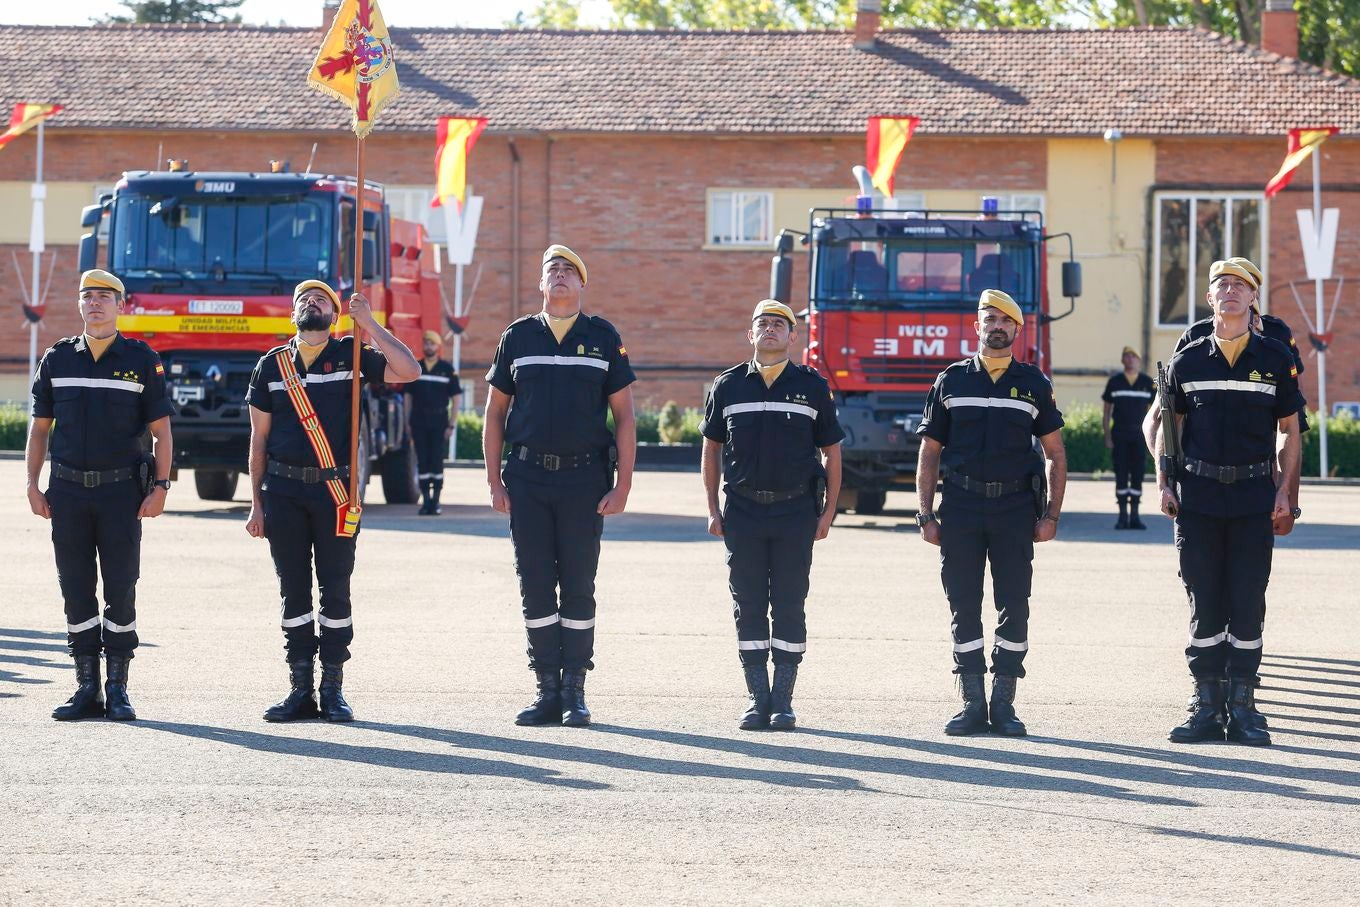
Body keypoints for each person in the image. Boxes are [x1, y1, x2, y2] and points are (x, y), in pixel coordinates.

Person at [243, 280, 419, 722]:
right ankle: (299, 688)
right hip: (282, 492)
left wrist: (370, 324)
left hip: (336, 494)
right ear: (292, 314)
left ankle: (333, 689)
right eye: (304, 298)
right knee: (294, 592)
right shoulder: (271, 366)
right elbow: (258, 439)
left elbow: (408, 369)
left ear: (336, 315)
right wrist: (255, 503)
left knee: (335, 590)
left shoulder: (352, 355)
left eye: (322, 299)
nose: (311, 302)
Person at [483, 245, 636, 728]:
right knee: (534, 585)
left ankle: (575, 690)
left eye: (570, 271)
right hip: (526, 479)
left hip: (584, 479)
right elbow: (494, 413)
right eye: (553, 271)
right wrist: (493, 481)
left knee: (577, 585)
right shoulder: (518, 337)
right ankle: (545, 688)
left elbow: (625, 416)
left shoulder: (603, 337)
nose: (562, 277)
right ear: (541, 284)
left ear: (582, 285)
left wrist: (624, 485)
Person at [1157, 259, 1302, 746]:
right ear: (1210, 298)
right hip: (1197, 499)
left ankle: (1244, 706)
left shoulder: (1276, 357)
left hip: (1253, 498)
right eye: (1222, 285)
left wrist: (1286, 493)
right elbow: (1168, 431)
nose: (1231, 292)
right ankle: (1206, 703)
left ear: (1253, 298)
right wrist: (1164, 483)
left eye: (1241, 285)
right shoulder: (1188, 360)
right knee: (1204, 600)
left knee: (1246, 600)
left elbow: (1290, 434)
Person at [915, 289, 1067, 737]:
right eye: (989, 319)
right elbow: (929, 450)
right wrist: (925, 514)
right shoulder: (951, 381)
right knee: (963, 604)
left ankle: (1003, 705)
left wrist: (1052, 515)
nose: (996, 326)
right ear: (976, 326)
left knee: (1013, 604)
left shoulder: (1034, 384)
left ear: (1017, 330)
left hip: (1015, 509)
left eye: (1005, 320)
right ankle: (971, 703)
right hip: (960, 506)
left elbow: (1055, 453)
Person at [26, 269, 174, 722]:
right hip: (67, 493)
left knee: (121, 589)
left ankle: (118, 687)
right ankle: (86, 686)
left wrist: (162, 487)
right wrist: (31, 484)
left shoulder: (141, 359)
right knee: (75, 589)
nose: (95, 303)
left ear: (121, 305)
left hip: (121, 495)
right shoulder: (57, 359)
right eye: (88, 296)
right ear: (80, 305)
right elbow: (39, 431)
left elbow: (163, 433)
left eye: (105, 297)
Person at [700, 300, 843, 731]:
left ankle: (783, 700)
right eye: (761, 323)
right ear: (750, 335)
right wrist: (712, 508)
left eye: (779, 324)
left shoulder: (812, 386)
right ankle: (756, 697)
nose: (769, 329)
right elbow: (711, 451)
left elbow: (832, 453)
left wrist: (828, 513)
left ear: (792, 337)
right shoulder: (727, 386)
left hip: (795, 511)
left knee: (789, 603)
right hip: (742, 510)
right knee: (747, 604)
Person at [405, 329, 462, 515]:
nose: (428, 346)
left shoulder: (447, 369)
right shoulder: (417, 367)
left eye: (432, 343)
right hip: (419, 421)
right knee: (422, 460)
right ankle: (426, 501)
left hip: (439, 422)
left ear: (438, 346)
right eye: (426, 343)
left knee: (436, 461)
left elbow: (456, 399)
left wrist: (452, 424)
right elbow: (408, 397)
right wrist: (407, 422)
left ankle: (436, 501)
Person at [1102, 346, 1155, 529]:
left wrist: (1154, 438)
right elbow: (1107, 412)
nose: (1130, 359)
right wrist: (1107, 435)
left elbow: (1156, 415)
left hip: (1140, 436)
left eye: (1134, 356)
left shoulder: (1148, 383)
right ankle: (1122, 516)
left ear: (1139, 360)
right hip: (1120, 434)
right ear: (1122, 360)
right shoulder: (1115, 382)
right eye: (1127, 356)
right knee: (1122, 473)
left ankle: (1135, 517)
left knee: (1138, 474)